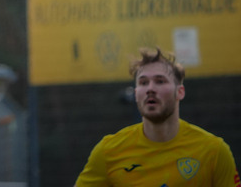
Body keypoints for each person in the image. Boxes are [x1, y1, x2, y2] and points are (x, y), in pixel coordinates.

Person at [75, 47, 240, 186]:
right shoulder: (108, 151)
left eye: (160, 81)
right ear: (136, 93)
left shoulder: (214, 151)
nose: (150, 89)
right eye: (143, 83)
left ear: (180, 92)